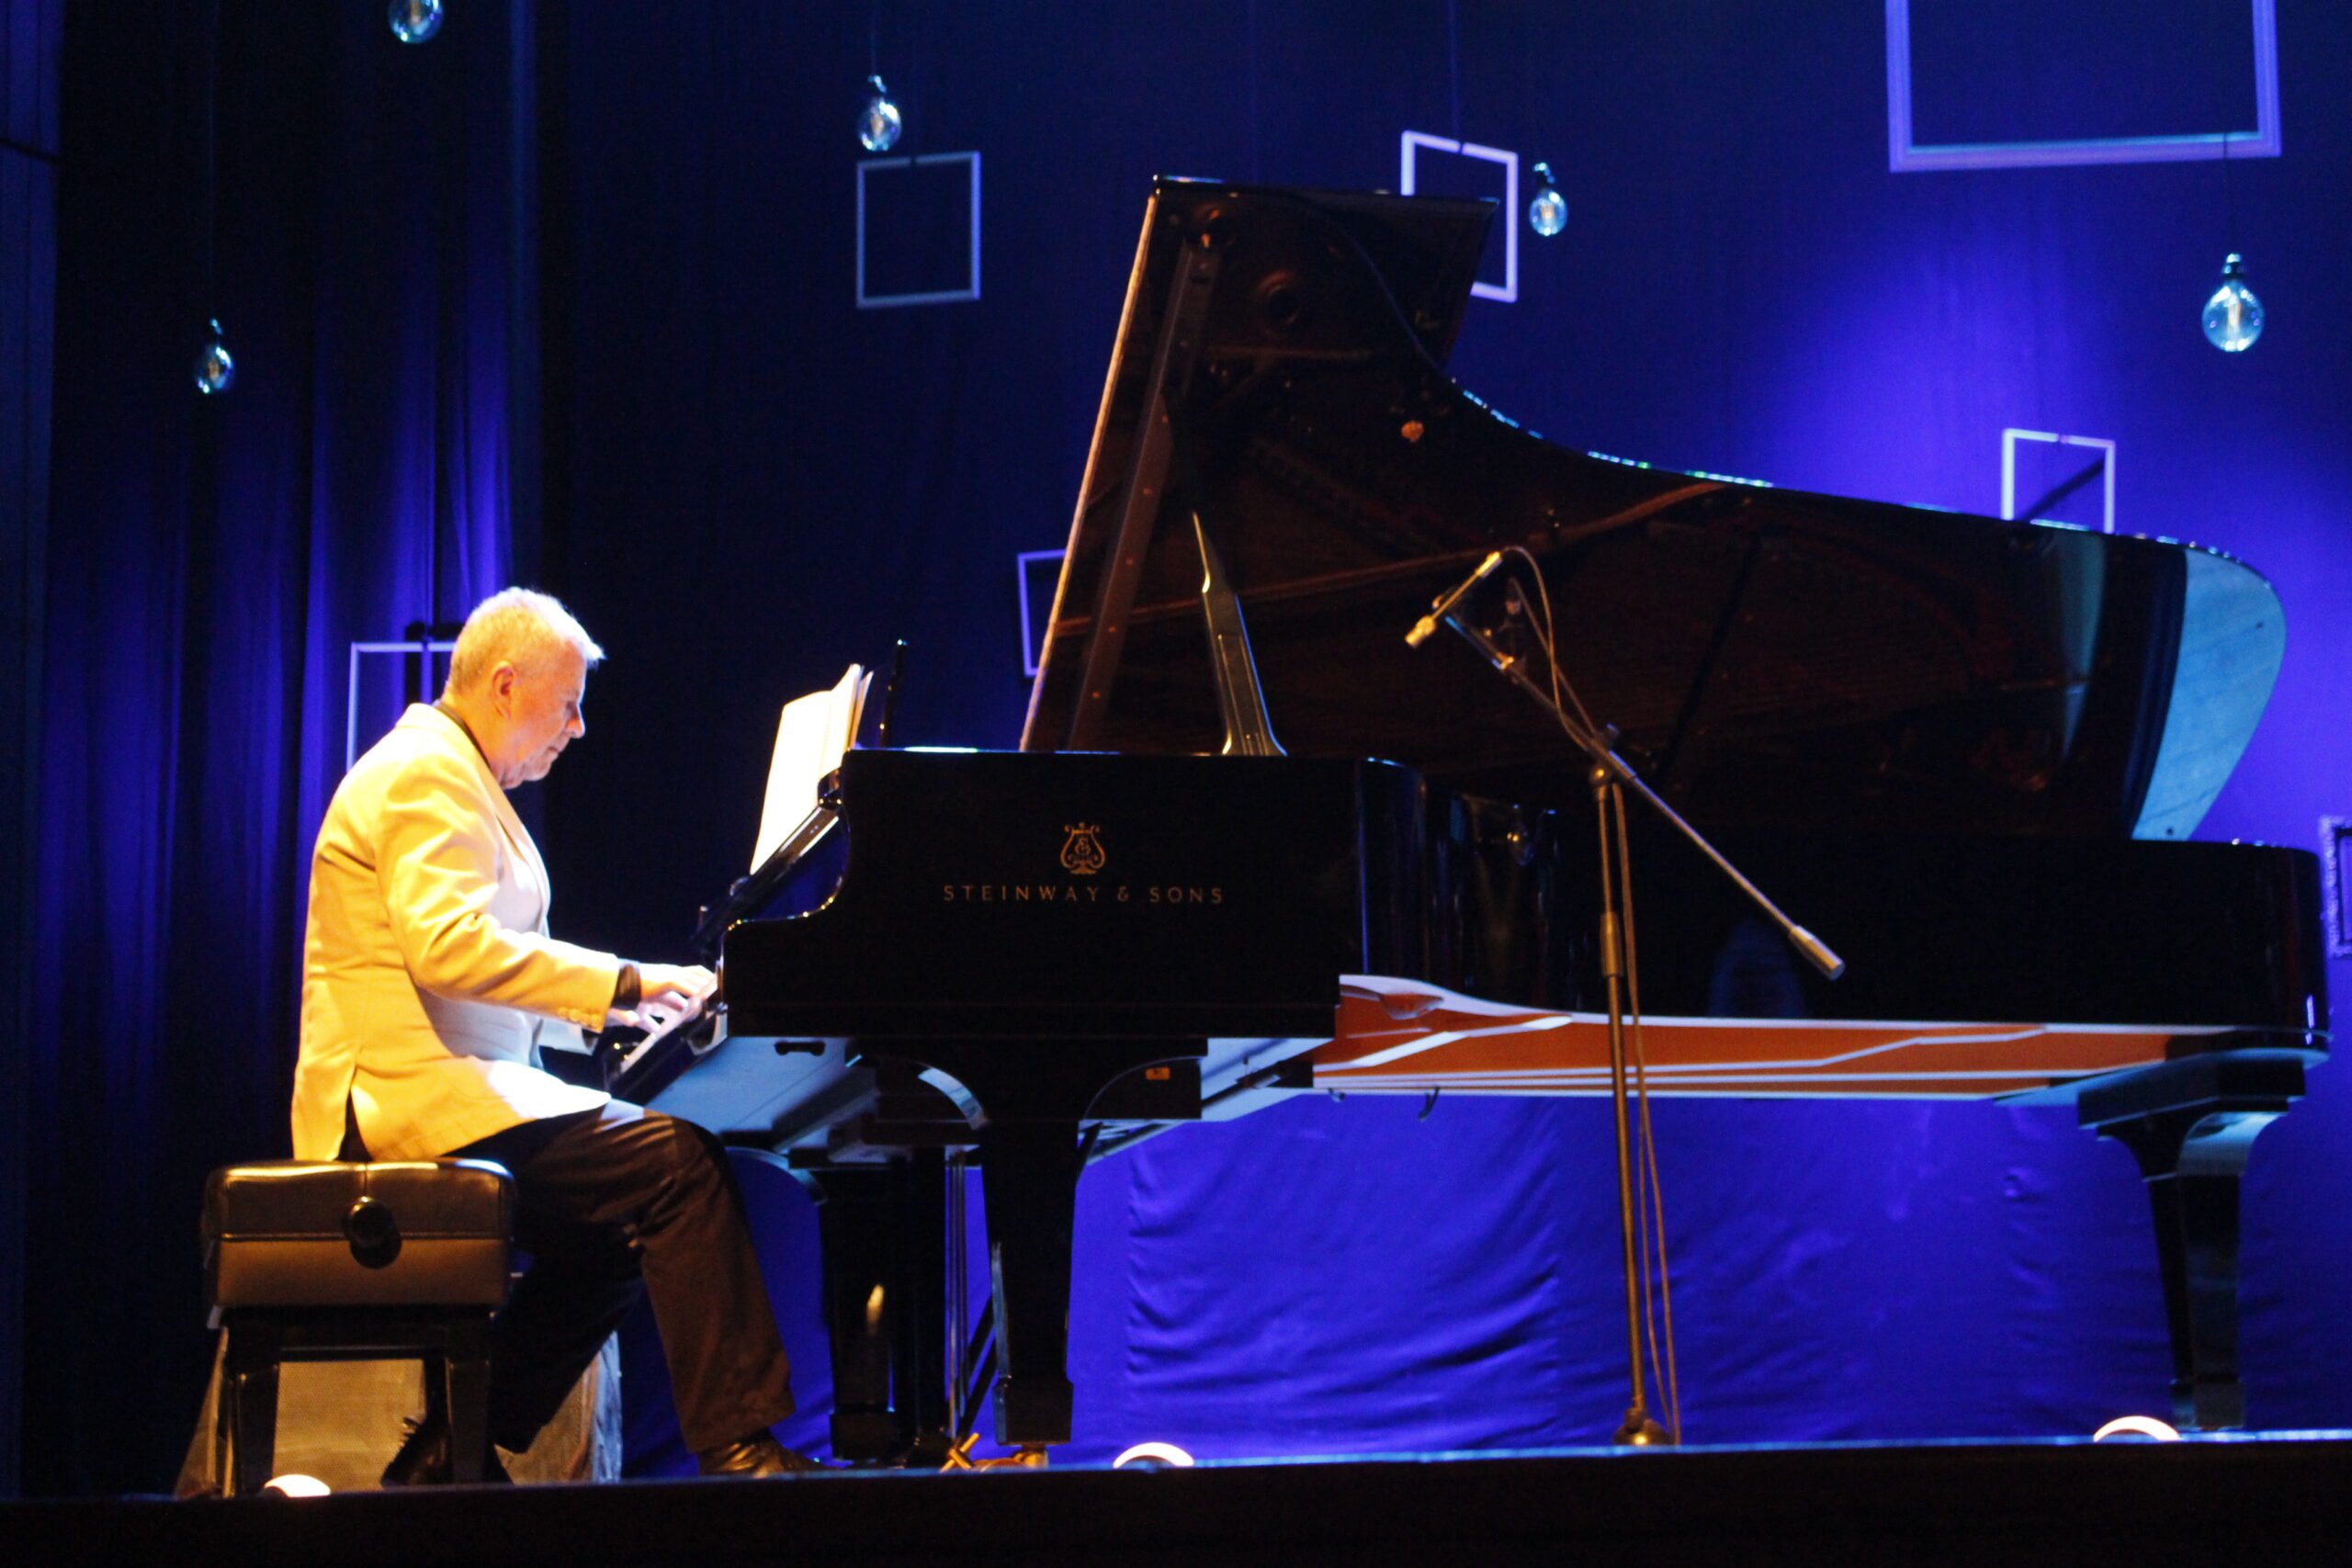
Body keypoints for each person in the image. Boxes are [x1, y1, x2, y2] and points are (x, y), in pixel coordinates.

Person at [292, 587, 808, 1482]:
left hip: (451, 1086)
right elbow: (450, 953)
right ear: (503, 684)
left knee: (615, 1230)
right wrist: (627, 983)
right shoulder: (425, 772)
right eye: (567, 703)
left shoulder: (456, 775)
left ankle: (452, 1450)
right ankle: (737, 1449)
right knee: (676, 1168)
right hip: (399, 1103)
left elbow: (481, 987)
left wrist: (628, 1019)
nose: (576, 728)